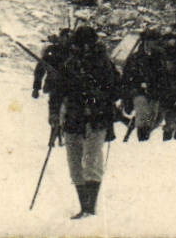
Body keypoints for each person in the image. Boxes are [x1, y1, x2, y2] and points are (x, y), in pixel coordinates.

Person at [57, 25, 120, 220]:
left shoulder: (104, 64)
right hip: (74, 116)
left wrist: (99, 97)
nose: (83, 48)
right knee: (74, 162)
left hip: (97, 116)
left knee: (92, 159)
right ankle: (84, 206)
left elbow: (115, 90)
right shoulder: (69, 64)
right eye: (79, 45)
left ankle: (90, 208)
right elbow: (57, 92)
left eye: (86, 45)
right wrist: (54, 114)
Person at [31, 28, 71, 145]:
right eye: (64, 37)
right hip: (55, 86)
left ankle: (62, 133)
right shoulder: (52, 51)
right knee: (54, 110)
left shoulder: (74, 52)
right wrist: (36, 88)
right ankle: (54, 132)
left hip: (70, 88)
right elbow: (40, 69)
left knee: (67, 112)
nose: (66, 40)